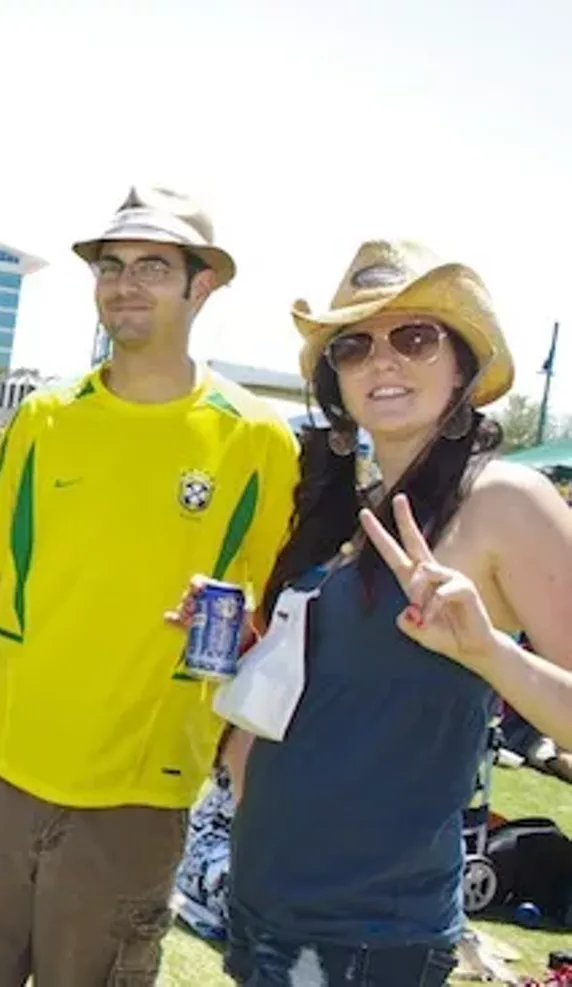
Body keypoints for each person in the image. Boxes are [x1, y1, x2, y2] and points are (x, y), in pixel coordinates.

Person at [0, 187, 300, 987]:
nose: (125, 283)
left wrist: (231, 626)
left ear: (201, 284)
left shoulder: (259, 441)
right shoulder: (44, 419)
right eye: (112, 266)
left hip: (138, 796)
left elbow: (262, 621)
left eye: (153, 266)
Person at [219, 239, 572, 987]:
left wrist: (490, 653)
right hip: (264, 902)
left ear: (461, 365)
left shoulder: (505, 500)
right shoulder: (349, 512)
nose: (383, 360)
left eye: (414, 337)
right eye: (355, 345)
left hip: (368, 935)